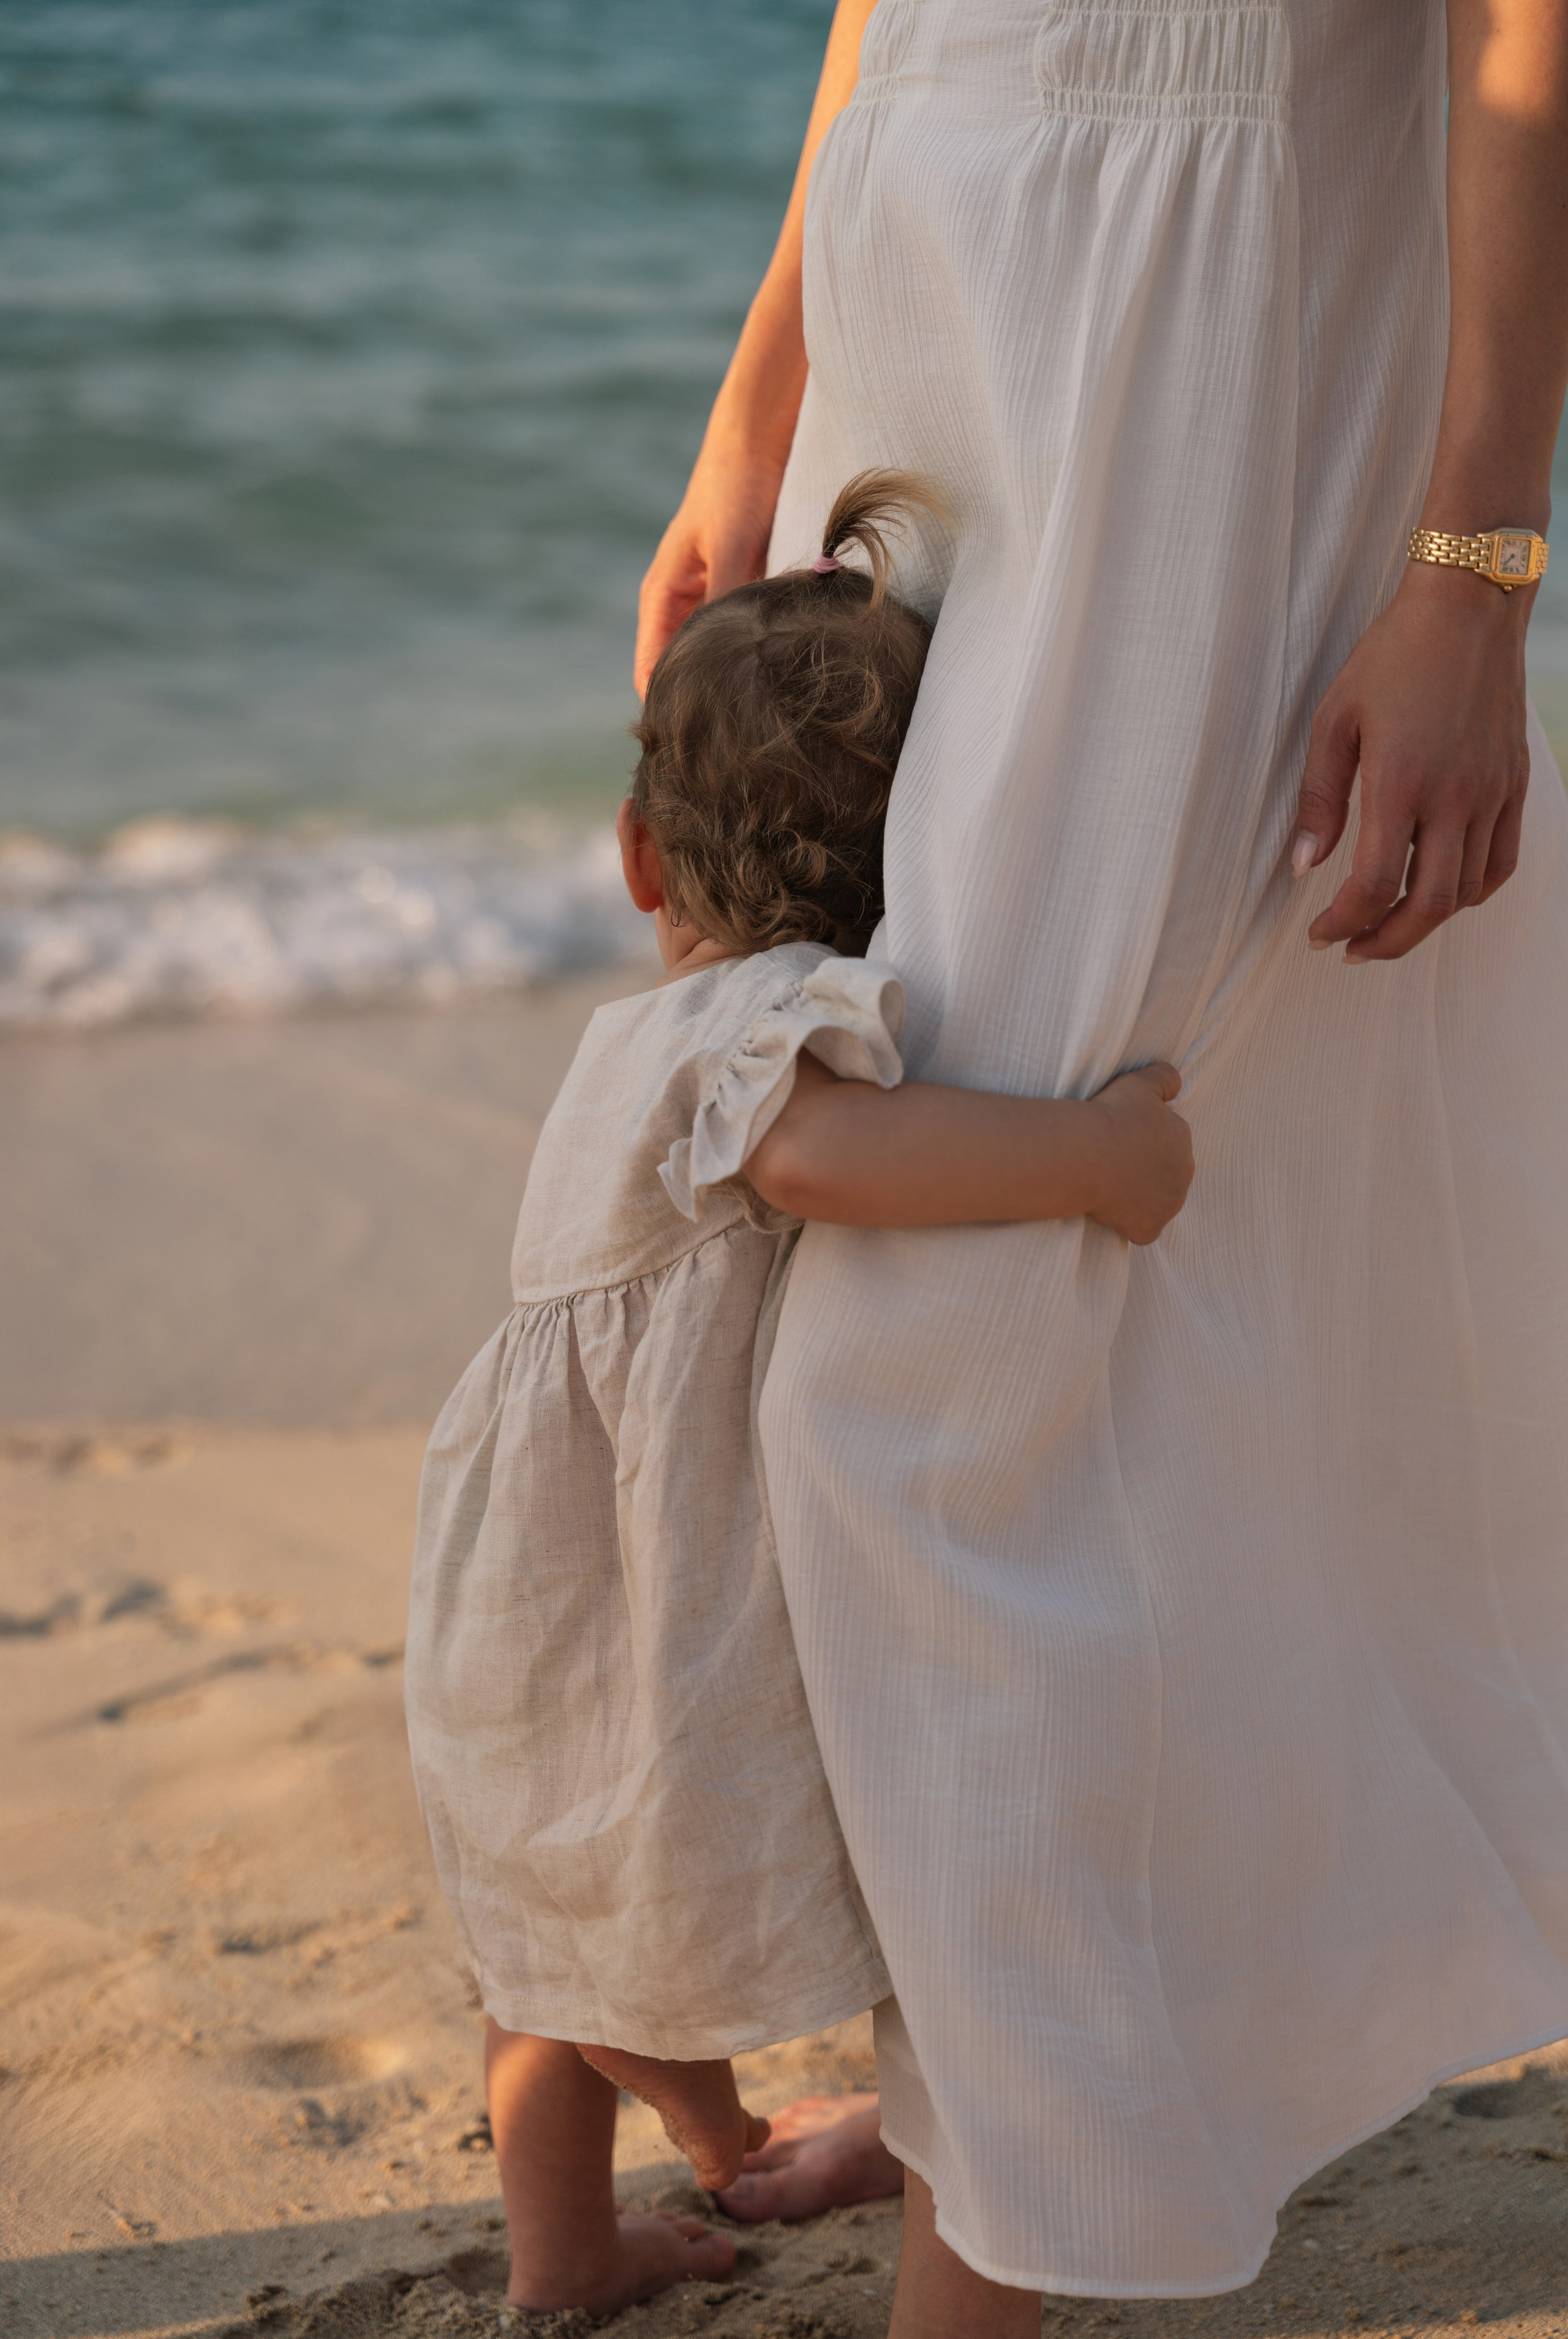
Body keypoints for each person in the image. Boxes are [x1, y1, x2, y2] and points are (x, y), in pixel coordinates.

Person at [637, 0, 1568, 2336]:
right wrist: (750, 422)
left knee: (962, 1327)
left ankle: (1017, 2201)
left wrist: (1477, 561)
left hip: (1205, 364)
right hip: (921, 317)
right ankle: (982, 2068)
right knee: (901, 1195)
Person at [403, 472, 1195, 2317]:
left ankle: (567, 2258)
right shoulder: (753, 1027)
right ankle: (708, 2130)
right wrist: (1089, 1159)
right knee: (809, 1896)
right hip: (647, 1584)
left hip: (529, 1583)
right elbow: (827, 1158)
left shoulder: (633, 1034)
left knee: (546, 1942)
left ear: (636, 856)